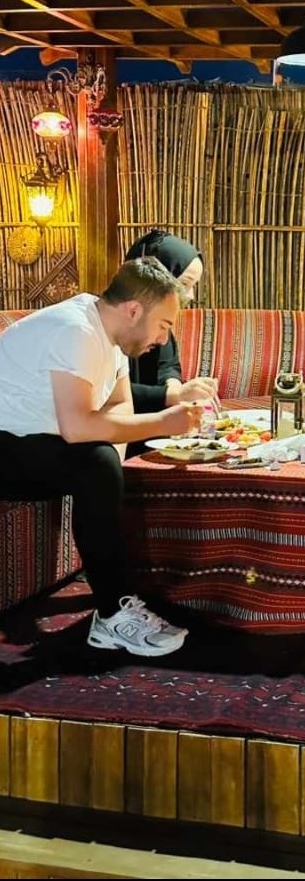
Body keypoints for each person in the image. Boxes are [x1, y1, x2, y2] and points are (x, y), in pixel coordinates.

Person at [0, 257, 206, 657]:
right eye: (164, 325)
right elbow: (79, 428)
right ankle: (112, 615)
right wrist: (164, 421)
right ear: (133, 310)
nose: (165, 339)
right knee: (95, 461)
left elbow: (121, 414)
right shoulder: (74, 330)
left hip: (30, 442)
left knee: (103, 462)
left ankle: (122, 595)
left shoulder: (109, 338)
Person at [124, 229, 219, 415]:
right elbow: (111, 393)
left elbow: (167, 365)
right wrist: (174, 395)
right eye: (185, 284)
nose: (190, 296)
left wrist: (176, 387)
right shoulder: (115, 323)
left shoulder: (160, 325)